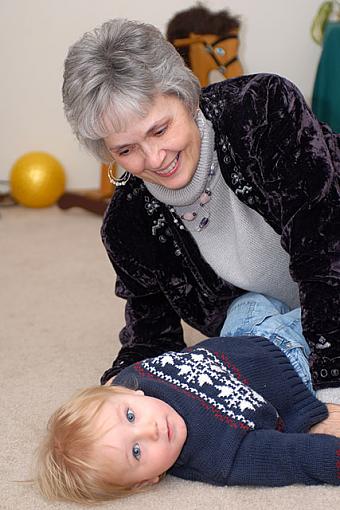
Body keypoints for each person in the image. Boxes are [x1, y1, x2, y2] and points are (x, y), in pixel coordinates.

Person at [62, 18, 340, 392]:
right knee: (241, 329)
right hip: (277, 319)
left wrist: (332, 386)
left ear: (187, 97)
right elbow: (152, 335)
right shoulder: (127, 224)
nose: (155, 158)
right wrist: (122, 385)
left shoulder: (262, 110)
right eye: (126, 150)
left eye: (159, 130)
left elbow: (326, 247)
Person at [35, 292, 340, 504]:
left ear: (125, 392)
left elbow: (122, 374)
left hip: (243, 332)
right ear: (147, 481)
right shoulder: (221, 456)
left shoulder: (134, 380)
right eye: (137, 452)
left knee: (247, 300)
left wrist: (109, 390)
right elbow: (297, 458)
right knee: (326, 312)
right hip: (295, 365)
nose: (150, 430)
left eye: (130, 416)